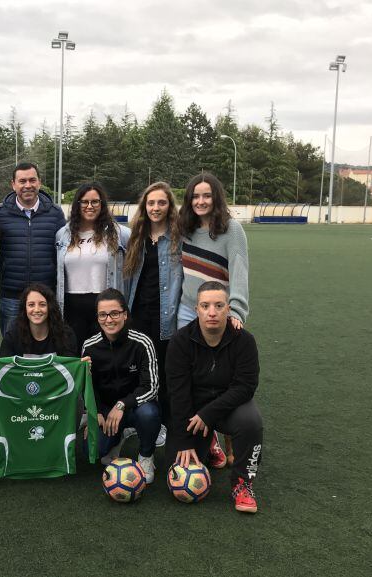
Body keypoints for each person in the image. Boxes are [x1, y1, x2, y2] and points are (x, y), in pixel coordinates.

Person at [165, 281, 263, 513]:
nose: (212, 312)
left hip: (226, 408)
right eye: (205, 305)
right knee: (175, 469)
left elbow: (246, 387)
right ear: (196, 308)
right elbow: (177, 394)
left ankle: (243, 483)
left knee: (251, 422)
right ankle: (206, 442)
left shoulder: (244, 341)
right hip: (193, 411)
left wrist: (208, 414)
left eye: (219, 305)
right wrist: (185, 440)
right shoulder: (180, 341)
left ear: (228, 308)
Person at [177, 172, 249, 468]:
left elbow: (240, 271)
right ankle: (210, 443)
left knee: (223, 379)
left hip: (219, 313)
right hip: (187, 311)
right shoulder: (185, 229)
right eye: (195, 196)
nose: (201, 201)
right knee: (195, 380)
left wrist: (237, 311)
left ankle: (229, 443)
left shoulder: (231, 230)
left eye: (207, 195)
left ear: (216, 198)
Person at [124, 182, 182, 447]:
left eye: (161, 203)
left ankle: (165, 424)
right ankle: (140, 421)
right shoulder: (136, 236)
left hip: (166, 317)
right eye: (151, 203)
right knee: (142, 372)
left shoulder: (179, 237)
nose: (156, 208)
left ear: (169, 206)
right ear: (144, 207)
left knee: (166, 374)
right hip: (138, 316)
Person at [81, 288, 161, 483]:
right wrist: (96, 412)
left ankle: (146, 455)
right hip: (108, 412)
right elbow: (86, 387)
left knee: (149, 414)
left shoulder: (142, 342)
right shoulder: (89, 346)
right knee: (93, 449)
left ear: (125, 314)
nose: (109, 320)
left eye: (114, 313)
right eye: (103, 315)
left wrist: (122, 404)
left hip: (136, 407)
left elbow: (151, 387)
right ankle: (117, 438)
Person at [55, 182, 131, 350]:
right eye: (84, 202)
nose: (90, 206)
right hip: (71, 307)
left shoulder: (120, 234)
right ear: (77, 205)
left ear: (102, 204)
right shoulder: (63, 234)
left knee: (105, 355)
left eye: (95, 201)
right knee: (76, 355)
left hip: (105, 306)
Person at [0, 162, 66, 336]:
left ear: (39, 182)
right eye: (22, 181)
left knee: (47, 344)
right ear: (13, 184)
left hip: (45, 295)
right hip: (12, 295)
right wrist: (4, 266)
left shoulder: (55, 213)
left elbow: (63, 250)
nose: (28, 185)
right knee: (12, 345)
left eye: (32, 180)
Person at [0, 283, 78, 358]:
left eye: (42, 304)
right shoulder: (13, 335)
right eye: (31, 305)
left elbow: (71, 367)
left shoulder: (65, 335)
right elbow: (3, 367)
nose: (36, 310)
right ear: (25, 308)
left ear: (50, 307)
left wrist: (83, 364)